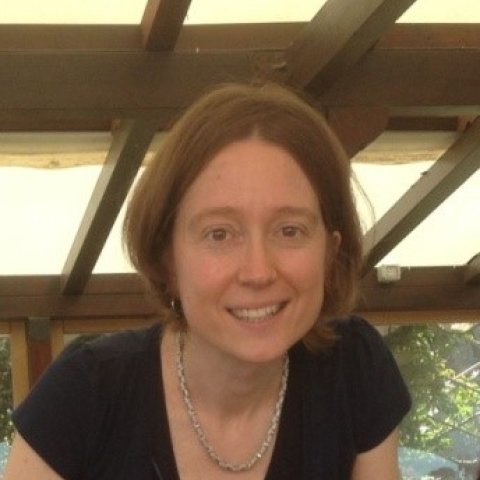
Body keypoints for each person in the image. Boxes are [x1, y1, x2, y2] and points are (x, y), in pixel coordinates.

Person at [4, 82, 411, 480]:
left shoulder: (353, 368)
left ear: (329, 253)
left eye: (290, 230)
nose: (258, 272)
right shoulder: (85, 391)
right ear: (168, 261)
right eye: (219, 234)